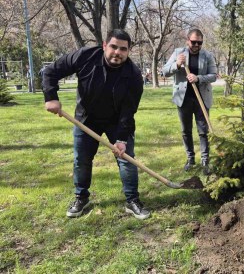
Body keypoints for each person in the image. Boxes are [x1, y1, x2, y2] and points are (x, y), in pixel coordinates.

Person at [42, 29, 150, 220]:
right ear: (104, 46)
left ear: (128, 51)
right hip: (86, 118)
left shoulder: (133, 75)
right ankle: (81, 197)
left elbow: (128, 110)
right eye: (113, 47)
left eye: (123, 49)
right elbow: (51, 71)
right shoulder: (85, 56)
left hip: (117, 121)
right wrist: (51, 97)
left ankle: (132, 200)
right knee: (82, 159)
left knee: (126, 159)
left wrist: (122, 138)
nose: (117, 52)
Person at [162, 28, 217, 175]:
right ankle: (190, 159)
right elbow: (165, 71)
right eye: (193, 42)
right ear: (188, 40)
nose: (196, 45)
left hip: (201, 99)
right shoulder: (178, 53)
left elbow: (213, 75)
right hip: (183, 99)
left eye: (200, 43)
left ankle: (205, 161)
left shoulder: (207, 55)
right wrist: (177, 64)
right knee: (186, 131)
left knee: (203, 131)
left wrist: (198, 78)